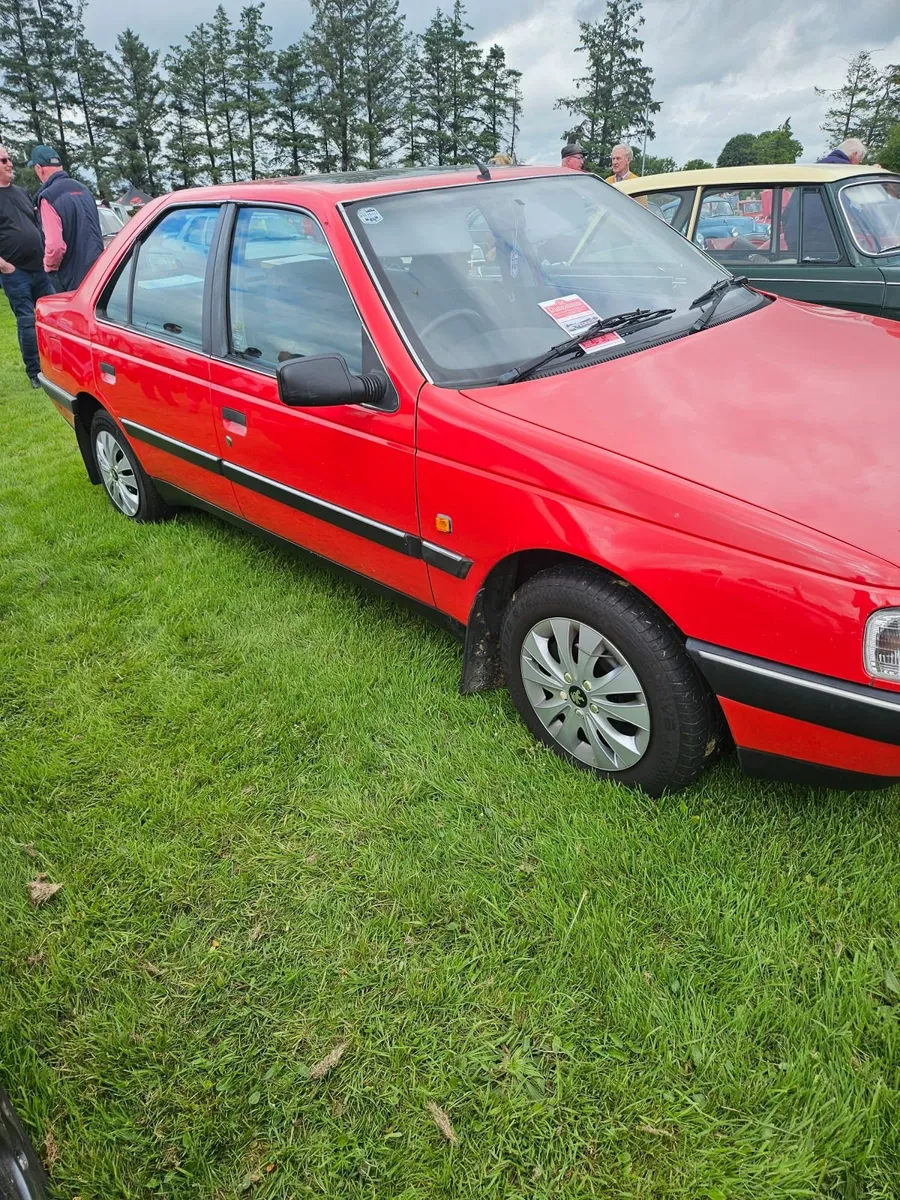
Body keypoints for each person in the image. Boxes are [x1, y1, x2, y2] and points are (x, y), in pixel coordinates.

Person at [0, 143, 56, 389]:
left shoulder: (21, 192)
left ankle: (55, 363)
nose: (9, 163)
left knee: (52, 317)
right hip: (16, 272)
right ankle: (35, 372)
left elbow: (37, 224)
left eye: (8, 159)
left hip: (39, 268)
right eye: (3, 160)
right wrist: (4, 266)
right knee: (26, 320)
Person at [28, 145, 104, 293]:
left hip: (70, 276)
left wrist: (49, 267)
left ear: (39, 168)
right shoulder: (84, 190)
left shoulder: (48, 197)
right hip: (97, 269)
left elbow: (55, 246)